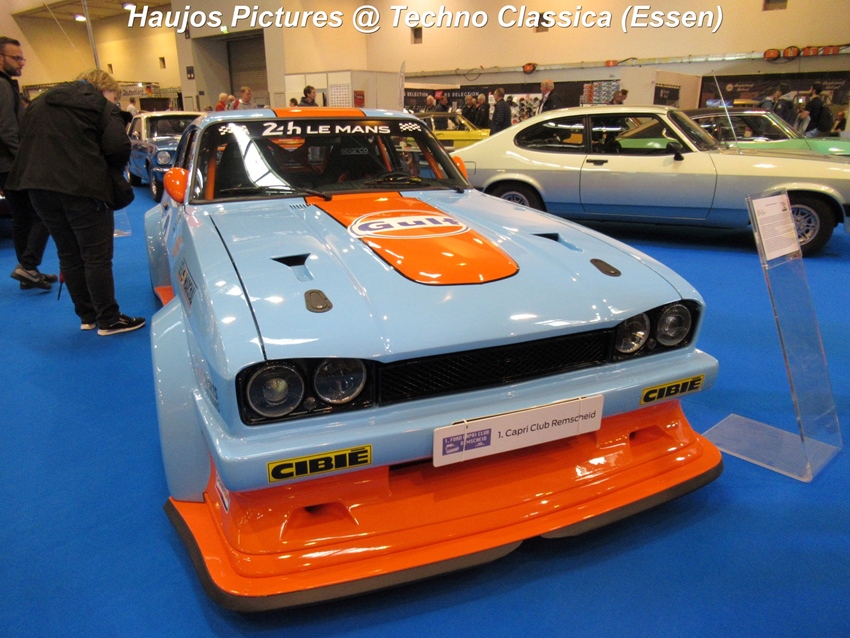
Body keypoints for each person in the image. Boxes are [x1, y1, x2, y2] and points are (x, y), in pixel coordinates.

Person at [6, 68, 145, 335]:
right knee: (96, 256)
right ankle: (109, 319)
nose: (114, 102)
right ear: (104, 89)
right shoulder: (99, 105)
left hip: (38, 187)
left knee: (68, 253)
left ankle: (87, 316)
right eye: (114, 97)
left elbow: (22, 138)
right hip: (84, 189)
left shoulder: (40, 102)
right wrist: (107, 171)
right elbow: (118, 147)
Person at [0, 36, 56, 291]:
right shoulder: (3, 86)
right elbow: (6, 130)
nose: (21, 62)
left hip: (8, 165)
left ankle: (28, 272)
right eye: (16, 58)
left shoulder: (7, 85)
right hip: (13, 165)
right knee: (43, 212)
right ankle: (28, 266)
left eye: (22, 58)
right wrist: (27, 160)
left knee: (22, 218)